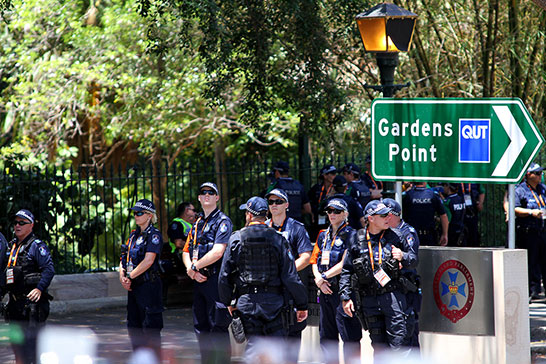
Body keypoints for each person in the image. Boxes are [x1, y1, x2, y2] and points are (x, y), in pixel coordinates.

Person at [218, 196, 308, 355]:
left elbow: (224, 276)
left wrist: (229, 302)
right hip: (274, 304)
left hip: (247, 304)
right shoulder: (278, 239)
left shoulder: (236, 238)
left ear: (249, 215)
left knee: (253, 349)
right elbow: (290, 277)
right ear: (265, 214)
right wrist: (302, 305)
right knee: (276, 351)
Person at [340, 200, 412, 355]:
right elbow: (346, 270)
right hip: (369, 299)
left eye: (389, 214)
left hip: (392, 296)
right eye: (383, 215)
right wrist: (346, 297)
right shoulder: (356, 239)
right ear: (371, 218)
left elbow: (414, 260)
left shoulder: (396, 236)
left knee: (399, 344)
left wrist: (403, 257)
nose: (389, 217)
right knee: (378, 347)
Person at [182, 182, 233, 364]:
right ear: (198, 198)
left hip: (215, 281)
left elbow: (218, 251)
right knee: (201, 327)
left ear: (217, 198)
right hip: (198, 281)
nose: (206, 195)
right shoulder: (197, 223)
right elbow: (187, 250)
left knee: (217, 327)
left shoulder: (223, 221)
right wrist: (191, 270)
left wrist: (195, 267)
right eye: (203, 192)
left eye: (211, 193)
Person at [310, 198, 362, 363]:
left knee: (349, 336)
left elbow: (345, 263)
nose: (332, 214)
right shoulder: (322, 235)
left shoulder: (352, 235)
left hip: (342, 291)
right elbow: (314, 260)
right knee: (326, 336)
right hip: (324, 290)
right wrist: (318, 279)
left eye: (337, 211)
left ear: (345, 214)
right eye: (330, 211)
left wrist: (324, 277)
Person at [1, 209, 55, 364]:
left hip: (31, 307)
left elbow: (49, 269)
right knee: (17, 348)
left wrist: (39, 288)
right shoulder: (12, 247)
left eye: (21, 223)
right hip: (14, 305)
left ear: (31, 225)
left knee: (32, 349)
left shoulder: (36, 246)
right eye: (16, 222)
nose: (17, 226)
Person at [265, 188, 312, 343]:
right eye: (271, 201)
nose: (274, 205)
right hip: (267, 291)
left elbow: (306, 257)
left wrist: (286, 272)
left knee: (291, 340)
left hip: (290, 290)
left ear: (287, 205)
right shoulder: (263, 227)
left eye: (278, 201)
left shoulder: (296, 227)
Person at [119, 199, 164, 359]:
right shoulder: (133, 235)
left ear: (149, 216)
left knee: (150, 328)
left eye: (139, 213)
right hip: (134, 287)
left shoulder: (154, 235)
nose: (136, 216)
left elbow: (149, 260)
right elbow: (124, 257)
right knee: (134, 327)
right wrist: (122, 276)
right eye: (134, 213)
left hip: (148, 286)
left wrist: (130, 276)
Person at [383, 198, 421, 350]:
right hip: (389, 290)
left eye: (385, 215)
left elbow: (413, 259)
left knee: (409, 333)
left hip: (407, 289)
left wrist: (402, 256)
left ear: (391, 215)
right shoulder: (384, 233)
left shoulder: (408, 232)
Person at [514, 163, 546, 300]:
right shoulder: (520, 190)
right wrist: (531, 212)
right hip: (528, 230)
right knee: (530, 262)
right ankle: (531, 292)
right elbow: (515, 208)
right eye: (537, 174)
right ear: (528, 175)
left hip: (543, 229)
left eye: (541, 173)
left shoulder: (543, 189)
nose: (540, 176)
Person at [161, 202, 197, 304]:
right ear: (186, 211)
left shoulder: (192, 225)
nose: (195, 213)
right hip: (178, 258)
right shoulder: (177, 224)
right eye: (193, 210)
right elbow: (178, 243)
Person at [402, 181, 449, 246]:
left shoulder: (407, 195)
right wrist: (445, 234)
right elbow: (443, 216)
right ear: (425, 182)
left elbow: (401, 215)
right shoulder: (433, 195)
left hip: (412, 235)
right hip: (429, 236)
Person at [309, 164, 338, 241]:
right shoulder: (316, 189)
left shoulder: (336, 188)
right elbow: (309, 203)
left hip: (332, 219)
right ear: (325, 176)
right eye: (332, 174)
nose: (335, 176)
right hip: (317, 221)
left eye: (335, 173)